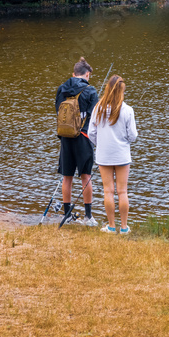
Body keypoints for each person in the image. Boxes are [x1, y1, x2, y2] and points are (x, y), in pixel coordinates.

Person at [87, 74, 137, 234]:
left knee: (108, 191)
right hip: (122, 155)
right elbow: (133, 136)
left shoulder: (98, 108)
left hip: (104, 155)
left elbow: (91, 133)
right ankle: (124, 228)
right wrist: (124, 141)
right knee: (122, 191)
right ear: (122, 91)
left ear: (107, 88)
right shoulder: (128, 110)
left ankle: (111, 226)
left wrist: (101, 144)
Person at [55, 57, 99, 226]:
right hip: (83, 137)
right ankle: (88, 217)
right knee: (86, 176)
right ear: (87, 74)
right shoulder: (91, 90)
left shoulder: (62, 89)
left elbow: (58, 111)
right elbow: (94, 117)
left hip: (65, 136)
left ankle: (66, 216)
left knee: (67, 177)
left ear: (73, 74)